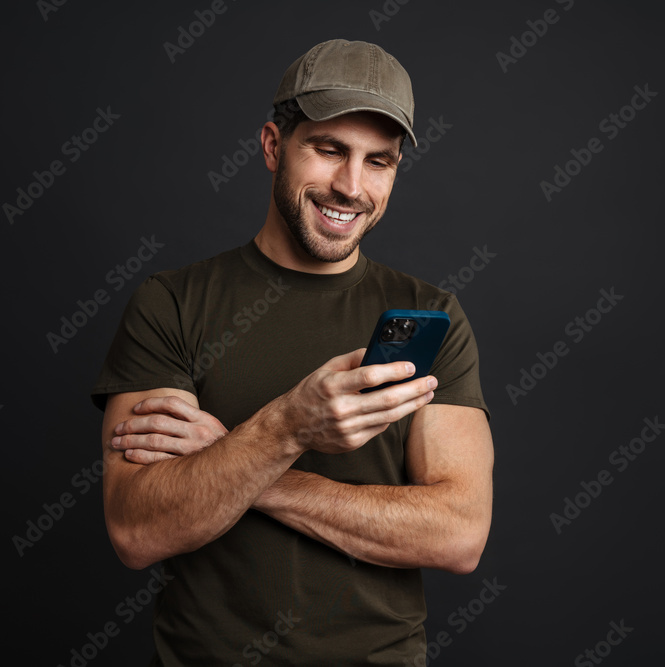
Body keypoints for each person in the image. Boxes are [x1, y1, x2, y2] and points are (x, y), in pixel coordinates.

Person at [91, 38, 494, 666]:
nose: (350, 186)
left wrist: (246, 462)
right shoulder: (171, 303)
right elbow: (137, 531)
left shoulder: (435, 317)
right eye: (329, 150)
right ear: (274, 146)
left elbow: (459, 534)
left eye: (378, 161)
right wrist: (286, 425)